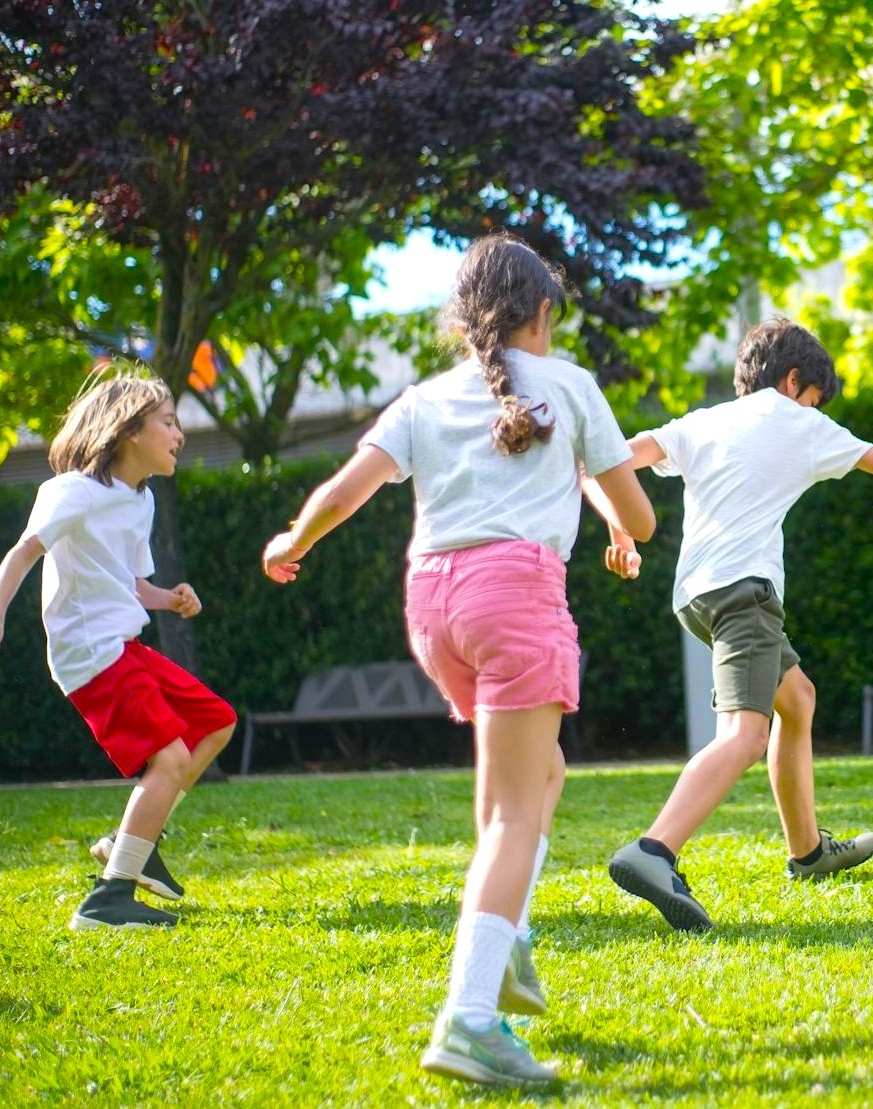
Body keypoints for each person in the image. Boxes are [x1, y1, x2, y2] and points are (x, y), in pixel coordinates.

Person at [261, 234, 654, 1086]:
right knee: (520, 809)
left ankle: (504, 938)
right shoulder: (572, 386)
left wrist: (293, 539)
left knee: (533, 775)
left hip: (434, 606)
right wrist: (623, 522)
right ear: (543, 312)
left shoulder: (427, 396)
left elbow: (345, 491)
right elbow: (642, 516)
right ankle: (471, 1017)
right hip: (515, 596)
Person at [594, 316, 873, 934]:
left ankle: (808, 853)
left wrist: (620, 530)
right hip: (745, 593)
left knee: (797, 698)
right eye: (814, 398)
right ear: (796, 380)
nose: (814, 409)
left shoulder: (703, 420)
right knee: (745, 735)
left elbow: (616, 462)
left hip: (695, 596)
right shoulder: (801, 421)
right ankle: (654, 851)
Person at [0, 370, 237, 930]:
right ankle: (107, 901)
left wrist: (170, 598)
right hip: (90, 653)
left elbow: (131, 585)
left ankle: (132, 843)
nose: (180, 434)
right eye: (169, 422)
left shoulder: (141, 501)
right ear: (129, 430)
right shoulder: (70, 491)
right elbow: (23, 553)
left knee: (215, 720)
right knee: (171, 758)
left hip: (124, 643)